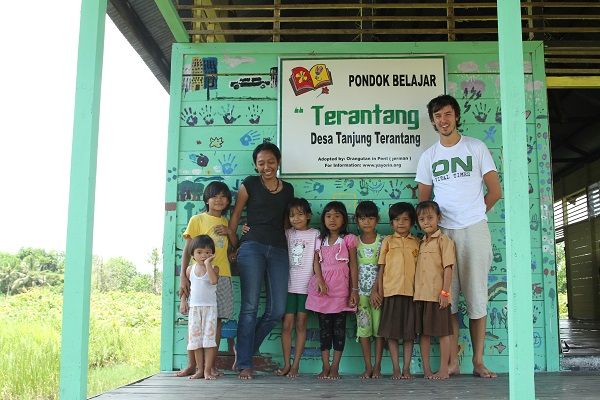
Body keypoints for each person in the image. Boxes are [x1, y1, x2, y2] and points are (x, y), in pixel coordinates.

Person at [416, 94, 501, 378]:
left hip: (475, 230)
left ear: (456, 116)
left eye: (448, 114)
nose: (443, 120)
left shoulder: (476, 147)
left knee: (477, 298)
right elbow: (424, 202)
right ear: (433, 121)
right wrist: (440, 228)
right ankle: (451, 362)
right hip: (445, 236)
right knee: (448, 301)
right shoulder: (429, 156)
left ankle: (478, 361)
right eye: (438, 116)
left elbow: (495, 192)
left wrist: (474, 213)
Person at [228, 142, 294, 380]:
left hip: (278, 249)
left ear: (278, 162)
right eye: (261, 163)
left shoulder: (288, 190)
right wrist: (232, 245)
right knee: (249, 307)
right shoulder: (250, 184)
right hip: (252, 247)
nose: (266, 167)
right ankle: (245, 363)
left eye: (271, 162)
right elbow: (236, 215)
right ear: (256, 165)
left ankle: (243, 349)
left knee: (276, 310)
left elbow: (286, 223)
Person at [177, 181, 234, 377]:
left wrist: (229, 232)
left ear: (228, 201)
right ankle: (192, 364)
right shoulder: (197, 219)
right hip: (198, 278)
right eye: (214, 196)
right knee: (195, 323)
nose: (219, 200)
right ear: (206, 199)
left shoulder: (226, 222)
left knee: (216, 322)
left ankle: (210, 366)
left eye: (223, 196)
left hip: (223, 275)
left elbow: (231, 246)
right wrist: (183, 278)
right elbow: (187, 250)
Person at [305, 201, 359, 380]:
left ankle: (335, 367)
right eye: (328, 216)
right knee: (324, 329)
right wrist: (319, 279)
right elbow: (315, 262)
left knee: (339, 329)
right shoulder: (319, 239)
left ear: (344, 218)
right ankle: (325, 366)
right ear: (323, 219)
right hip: (323, 290)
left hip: (341, 290)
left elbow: (353, 266)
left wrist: (354, 290)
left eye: (337, 215)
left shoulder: (349, 239)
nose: (332, 219)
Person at [276, 198, 321, 378]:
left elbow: (317, 259)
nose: (296, 218)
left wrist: (319, 279)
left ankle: (296, 365)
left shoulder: (315, 234)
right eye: (292, 215)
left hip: (306, 287)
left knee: (301, 324)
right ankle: (286, 364)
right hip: (287, 286)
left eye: (300, 214)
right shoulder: (286, 234)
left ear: (308, 216)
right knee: (286, 325)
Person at [376, 202, 420, 379]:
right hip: (391, 292)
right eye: (396, 220)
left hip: (411, 293)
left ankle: (406, 368)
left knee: (409, 334)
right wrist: (378, 291)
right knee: (391, 334)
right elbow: (381, 268)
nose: (400, 223)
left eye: (405, 219)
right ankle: (395, 368)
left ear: (412, 222)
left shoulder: (417, 242)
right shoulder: (387, 241)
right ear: (391, 223)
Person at [414, 200, 456, 380]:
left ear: (439, 217)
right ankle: (427, 370)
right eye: (422, 219)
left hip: (438, 296)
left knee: (443, 333)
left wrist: (445, 293)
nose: (426, 222)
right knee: (424, 333)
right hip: (421, 296)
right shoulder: (420, 243)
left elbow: (448, 268)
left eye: (430, 217)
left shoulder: (444, 241)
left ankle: (444, 370)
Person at [178, 235, 219, 380]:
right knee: (196, 341)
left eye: (208, 252)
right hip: (195, 309)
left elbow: (213, 281)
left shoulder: (214, 268)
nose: (204, 255)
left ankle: (207, 371)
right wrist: (183, 301)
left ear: (213, 253)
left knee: (208, 341)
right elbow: (186, 289)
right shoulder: (190, 270)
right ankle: (199, 370)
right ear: (193, 255)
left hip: (210, 309)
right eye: (200, 252)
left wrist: (208, 264)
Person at [354, 201, 385, 379]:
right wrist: (354, 292)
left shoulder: (383, 241)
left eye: (371, 218)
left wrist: (376, 290)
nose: (367, 222)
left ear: (377, 220)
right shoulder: (354, 242)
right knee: (363, 330)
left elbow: (382, 268)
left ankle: (378, 366)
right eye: (363, 218)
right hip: (360, 295)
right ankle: (368, 366)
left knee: (379, 330)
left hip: (378, 293)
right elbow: (352, 268)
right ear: (357, 221)